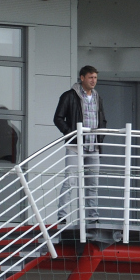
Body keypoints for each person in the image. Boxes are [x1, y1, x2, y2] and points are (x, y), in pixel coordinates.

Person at [53, 65, 106, 225]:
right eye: (90, 77)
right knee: (70, 181)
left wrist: (101, 136)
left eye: (95, 78)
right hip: (75, 146)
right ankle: (62, 216)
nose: (93, 81)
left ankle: (93, 217)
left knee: (93, 184)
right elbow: (58, 118)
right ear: (82, 78)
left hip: (93, 146)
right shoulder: (69, 96)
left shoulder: (97, 97)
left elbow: (102, 119)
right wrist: (71, 133)